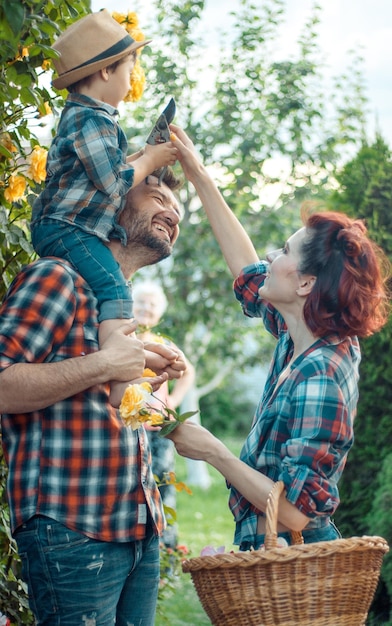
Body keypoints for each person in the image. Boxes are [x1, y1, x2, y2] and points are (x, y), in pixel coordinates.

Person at [168, 126, 391, 549]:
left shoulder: (320, 374)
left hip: (295, 571)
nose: (271, 256)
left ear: (306, 284)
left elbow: (295, 514)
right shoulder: (302, 334)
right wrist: (197, 174)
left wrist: (215, 452)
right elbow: (246, 270)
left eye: (284, 251)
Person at [0, 168, 185, 625]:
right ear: (111, 202)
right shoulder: (57, 277)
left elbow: (94, 407)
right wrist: (105, 365)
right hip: (72, 529)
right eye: (156, 194)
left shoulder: (115, 306)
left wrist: (142, 381)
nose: (173, 213)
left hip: (138, 530)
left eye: (178, 209)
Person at [30, 10, 178, 407]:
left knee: (110, 287)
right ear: (107, 72)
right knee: (113, 286)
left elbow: (105, 172)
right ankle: (119, 378)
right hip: (66, 227)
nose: (132, 82)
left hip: (70, 225)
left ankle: (125, 367)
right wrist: (148, 161)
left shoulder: (94, 120)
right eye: (130, 71)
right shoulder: (89, 119)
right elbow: (113, 183)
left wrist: (145, 156)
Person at [132, 280, 195, 548]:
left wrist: (174, 403)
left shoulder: (163, 344)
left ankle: (166, 553)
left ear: (160, 312)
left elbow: (188, 372)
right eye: (141, 302)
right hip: (127, 426)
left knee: (163, 487)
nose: (147, 308)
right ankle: (136, 543)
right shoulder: (124, 340)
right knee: (134, 490)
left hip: (158, 429)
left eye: (153, 304)